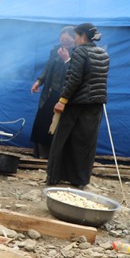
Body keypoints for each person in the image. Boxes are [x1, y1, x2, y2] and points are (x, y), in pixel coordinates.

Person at [46, 23, 109, 188]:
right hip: (95, 104)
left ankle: (54, 177)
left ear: (83, 36)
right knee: (86, 143)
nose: (74, 39)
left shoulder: (80, 52)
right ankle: (80, 180)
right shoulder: (103, 53)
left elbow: (74, 79)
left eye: (75, 36)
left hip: (76, 103)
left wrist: (62, 101)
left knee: (62, 139)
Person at [29, 26, 76, 158]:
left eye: (68, 39)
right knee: (42, 122)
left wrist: (66, 59)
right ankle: (39, 153)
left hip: (64, 95)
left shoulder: (78, 53)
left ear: (75, 39)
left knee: (56, 125)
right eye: (63, 38)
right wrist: (39, 81)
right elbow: (48, 68)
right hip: (50, 92)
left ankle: (52, 155)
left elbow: (74, 75)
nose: (65, 41)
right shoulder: (55, 51)